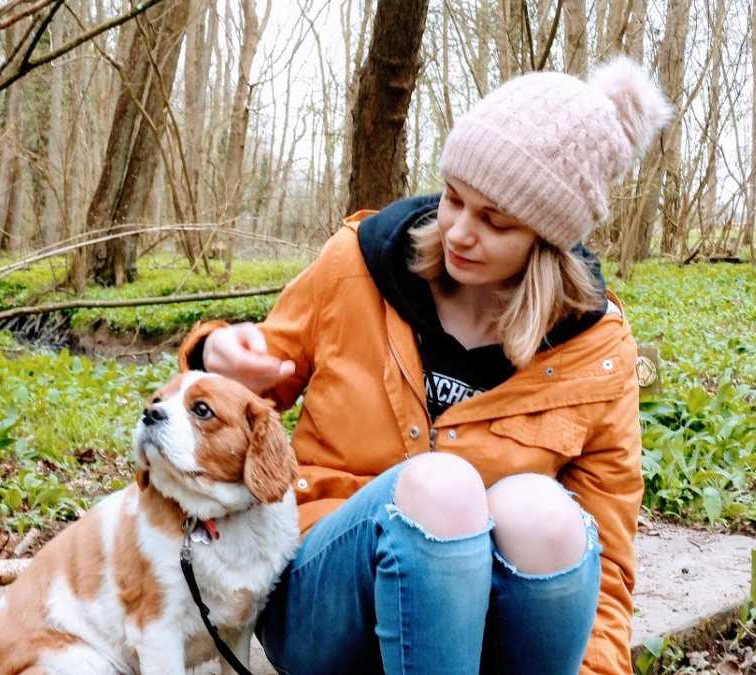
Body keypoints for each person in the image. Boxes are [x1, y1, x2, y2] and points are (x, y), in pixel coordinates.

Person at [178, 55, 672, 675]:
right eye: (454, 199)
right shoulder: (355, 266)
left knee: (543, 513)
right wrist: (213, 355)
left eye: (494, 221)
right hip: (324, 597)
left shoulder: (595, 351)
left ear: (547, 239)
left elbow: (609, 564)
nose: (461, 232)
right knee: (439, 488)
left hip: (484, 631)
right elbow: (222, 408)